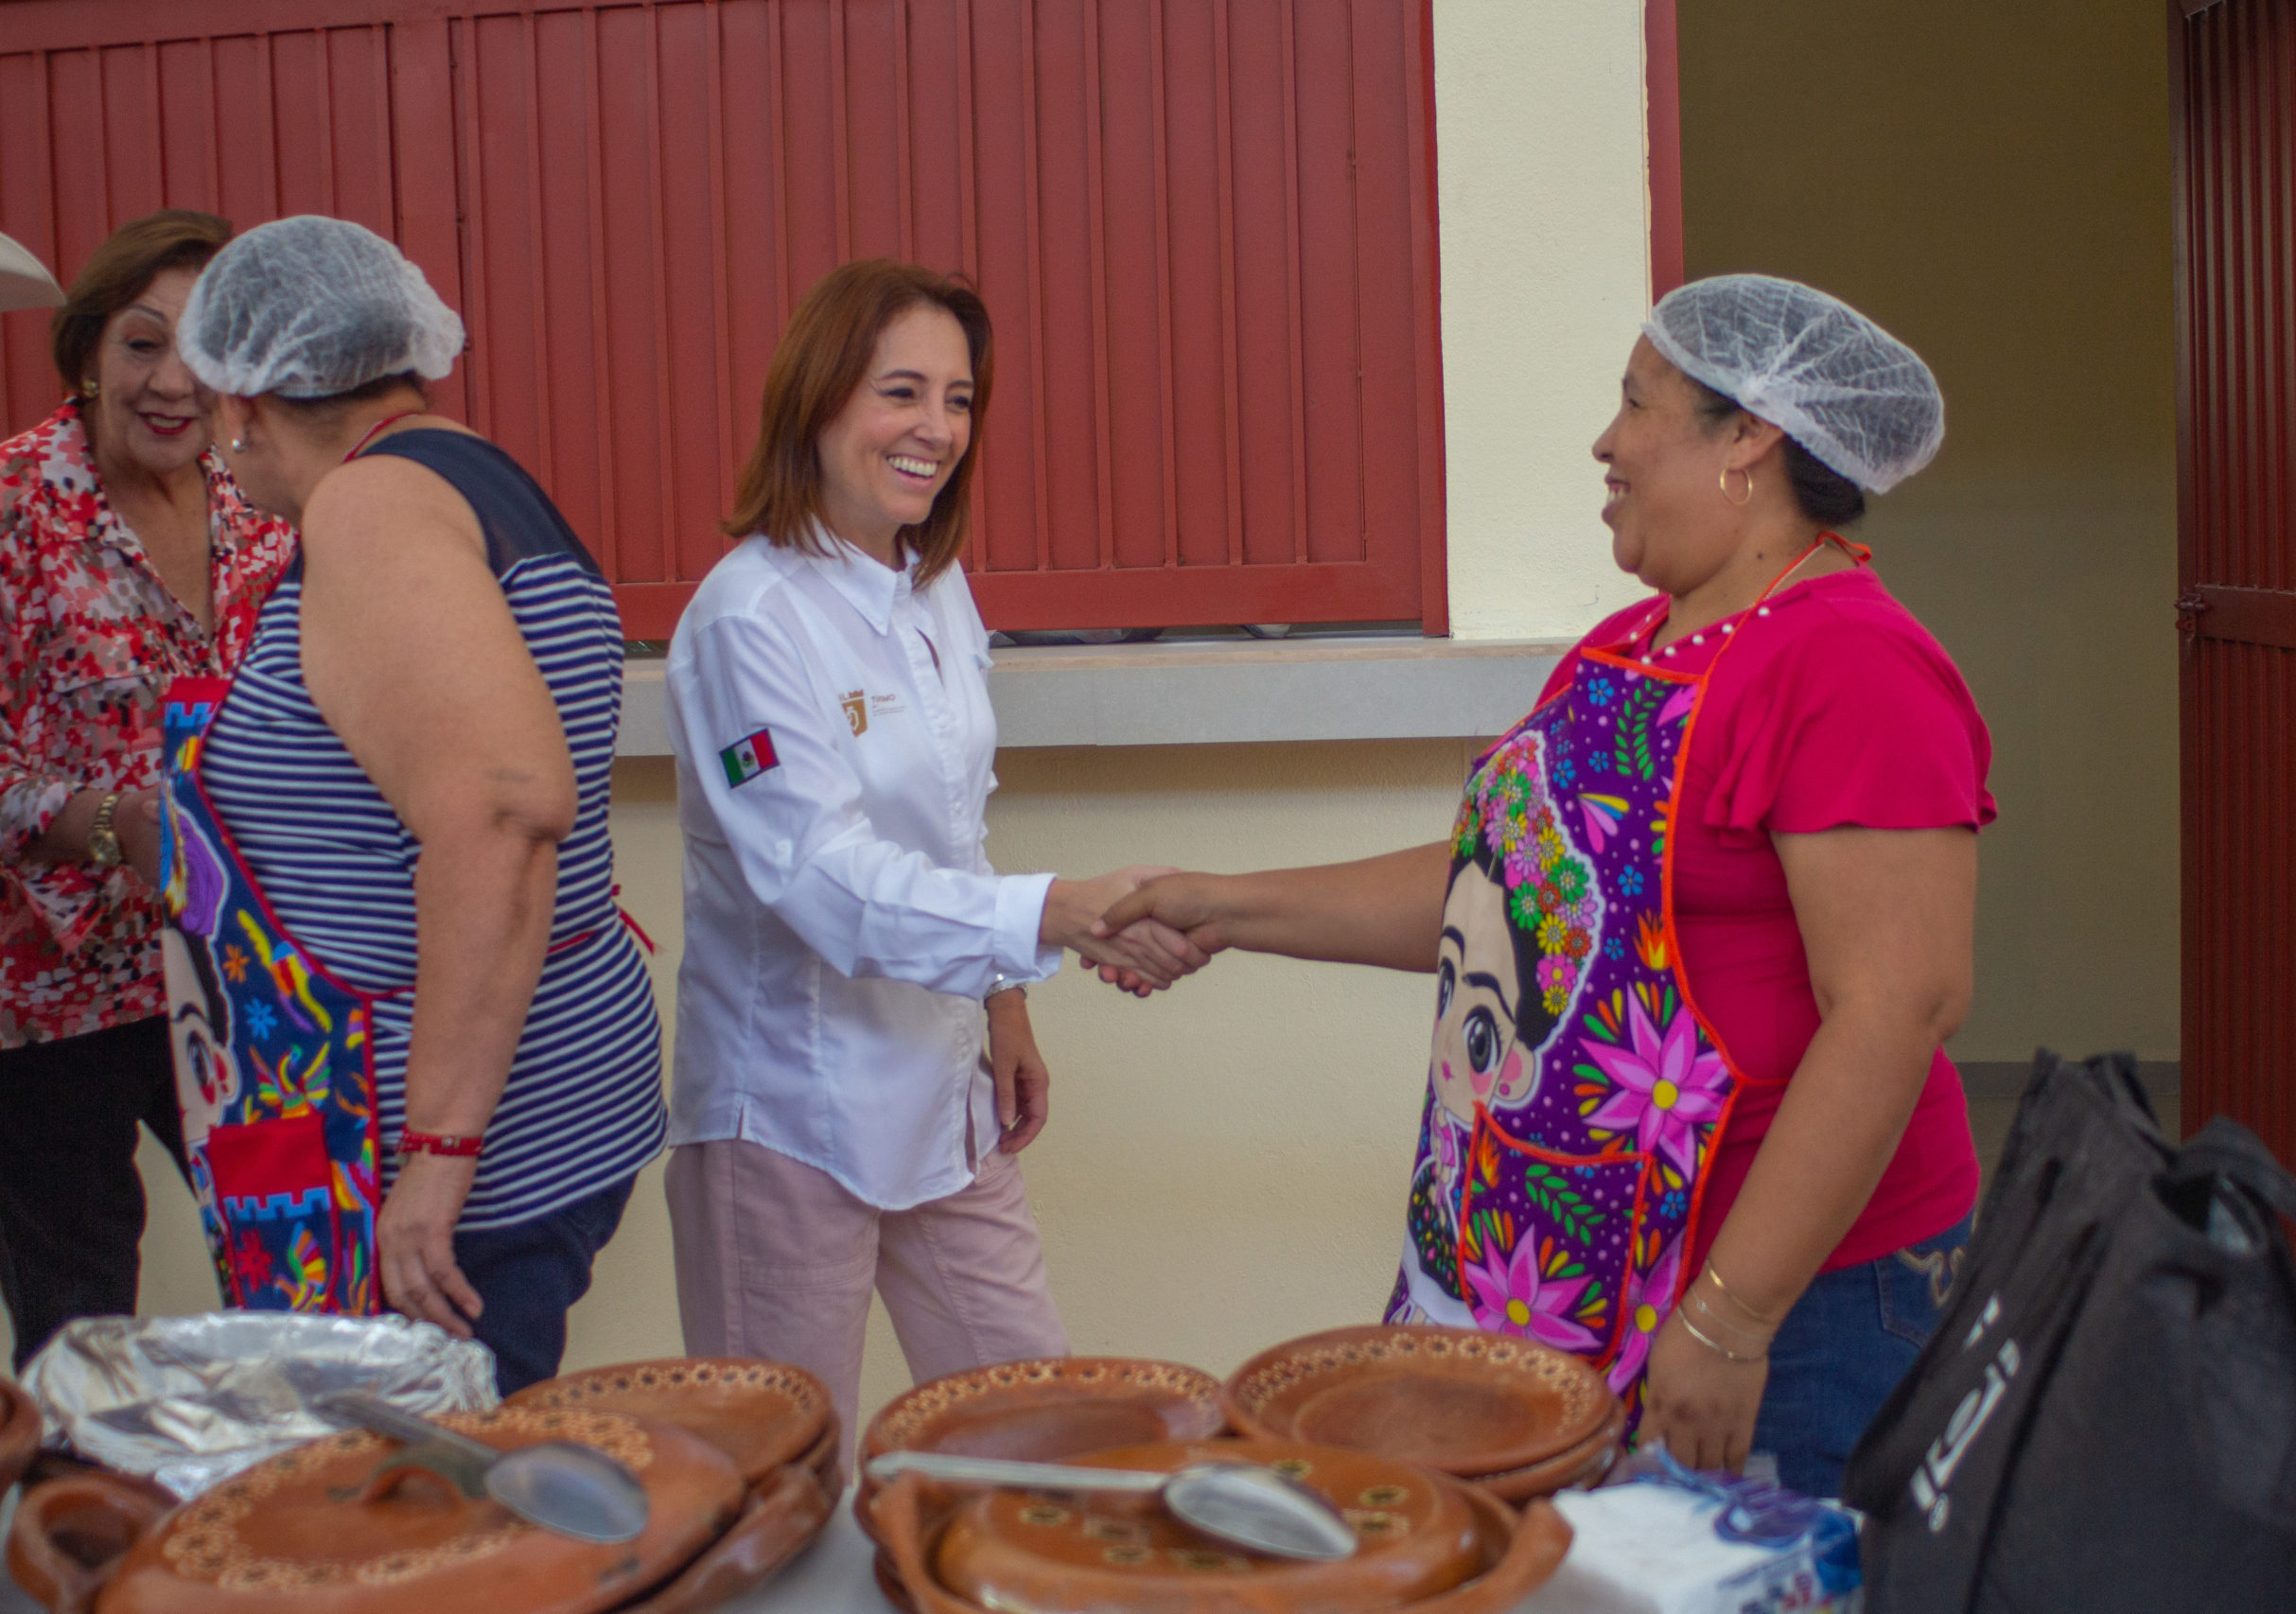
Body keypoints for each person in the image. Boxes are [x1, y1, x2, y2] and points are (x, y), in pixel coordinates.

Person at [1096, 275, 1992, 1498]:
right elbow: (1505, 900)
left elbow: (1898, 1006)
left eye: (1636, 405)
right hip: (1588, 1278)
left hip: (1804, 1301)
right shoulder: (1634, 643)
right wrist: (1225, 904)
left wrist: (1733, 1317)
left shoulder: (1852, 663)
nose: (1605, 442)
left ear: (1751, 438)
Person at [662, 258, 1205, 1451]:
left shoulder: (933, 589)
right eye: (901, 392)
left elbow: (955, 825)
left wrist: (1003, 1003)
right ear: (817, 399)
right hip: (790, 1113)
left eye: (958, 399)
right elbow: (823, 882)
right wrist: (1060, 912)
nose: (937, 429)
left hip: (944, 1095)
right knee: (780, 1479)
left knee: (1039, 1427)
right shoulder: (746, 621)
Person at [172, 216, 663, 1393]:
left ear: (245, 398)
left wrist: (437, 1158)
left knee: (423, 1517)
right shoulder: (473, 475)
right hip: (548, 1091)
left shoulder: (369, 506)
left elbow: (500, 808)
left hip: (439, 1148)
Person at [0, 211, 294, 1369]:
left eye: (205, 348)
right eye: (141, 343)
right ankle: (85, 1537)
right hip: (44, 988)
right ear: (85, 353)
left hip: (232, 955)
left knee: (292, 1262)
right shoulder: (17, 503)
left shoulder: (256, 501)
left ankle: (289, 1521)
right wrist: (106, 825)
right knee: (80, 1314)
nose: (174, 381)